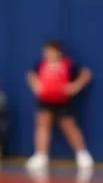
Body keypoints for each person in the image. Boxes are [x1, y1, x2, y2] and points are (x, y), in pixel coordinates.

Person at [26, 40, 93, 172]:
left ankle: (82, 154)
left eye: (51, 51)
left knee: (69, 126)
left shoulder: (69, 64)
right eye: (46, 51)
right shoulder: (40, 64)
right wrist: (36, 85)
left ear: (58, 52)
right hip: (45, 100)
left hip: (62, 100)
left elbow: (86, 74)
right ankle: (41, 155)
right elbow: (31, 74)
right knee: (42, 126)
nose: (48, 54)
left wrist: (75, 86)